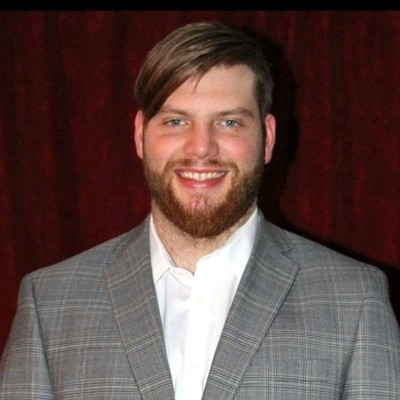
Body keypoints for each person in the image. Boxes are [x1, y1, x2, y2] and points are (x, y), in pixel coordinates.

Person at [1, 21, 399, 400]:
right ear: (140, 135)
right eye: (176, 121)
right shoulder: (51, 303)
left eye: (229, 122)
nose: (201, 148)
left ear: (268, 138)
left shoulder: (353, 300)